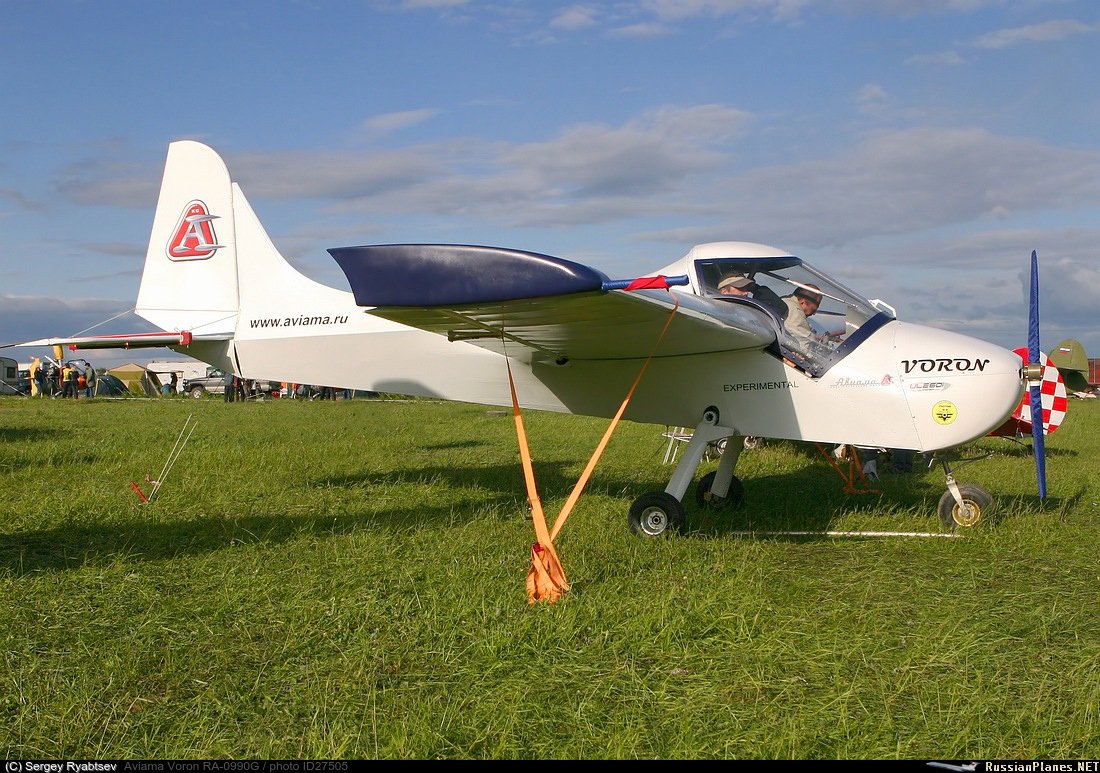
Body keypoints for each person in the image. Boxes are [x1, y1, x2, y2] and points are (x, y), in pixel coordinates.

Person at [717, 273, 788, 320]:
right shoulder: (716, 312)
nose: (746, 293)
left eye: (747, 288)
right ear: (724, 292)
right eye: (740, 288)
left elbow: (780, 310)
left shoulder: (747, 313)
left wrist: (755, 288)